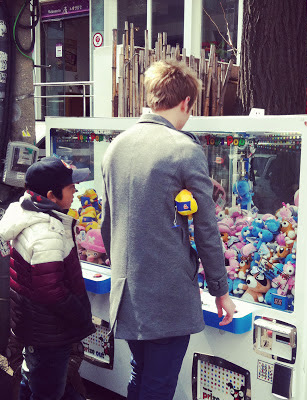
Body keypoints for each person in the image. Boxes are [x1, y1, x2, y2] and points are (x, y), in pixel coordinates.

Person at [101, 60, 236, 400]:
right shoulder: (184, 150)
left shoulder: (116, 147)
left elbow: (107, 224)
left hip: (127, 293)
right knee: (158, 386)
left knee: (141, 375)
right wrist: (220, 289)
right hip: (167, 296)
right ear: (186, 102)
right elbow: (206, 229)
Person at [0, 157, 96, 400]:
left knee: (32, 380)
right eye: (70, 187)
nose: (76, 191)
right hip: (49, 332)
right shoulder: (46, 232)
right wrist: (80, 312)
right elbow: (50, 291)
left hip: (35, 327)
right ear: (52, 195)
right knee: (48, 390)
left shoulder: (29, 214)